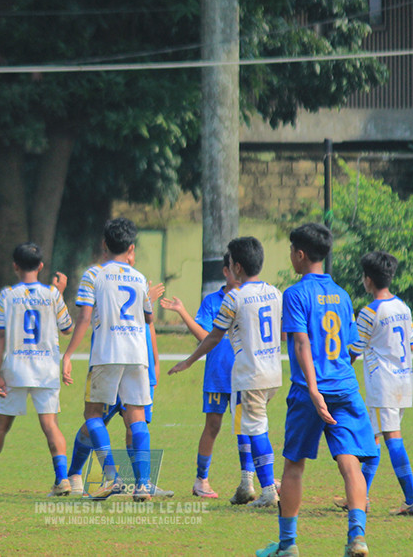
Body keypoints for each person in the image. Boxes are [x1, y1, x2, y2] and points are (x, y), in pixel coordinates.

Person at [258, 223, 377, 557]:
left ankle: (288, 545)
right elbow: (352, 346)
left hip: (309, 391)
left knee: (294, 466)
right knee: (350, 462)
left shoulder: (295, 294)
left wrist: (313, 389)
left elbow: (301, 344)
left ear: (300, 254)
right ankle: (357, 538)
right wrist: (337, 374)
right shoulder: (342, 295)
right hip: (344, 387)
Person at [169, 237, 281, 508]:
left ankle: (267, 489)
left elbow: (213, 337)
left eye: (230, 263)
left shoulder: (235, 297)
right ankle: (247, 483)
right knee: (251, 427)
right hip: (272, 374)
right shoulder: (275, 293)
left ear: (237, 267)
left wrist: (188, 361)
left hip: (250, 376)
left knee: (255, 431)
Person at [0, 243, 74, 497]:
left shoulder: (7, 295)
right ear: (41, 266)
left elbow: (0, 336)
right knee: (50, 425)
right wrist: (61, 293)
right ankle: (62, 479)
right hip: (46, 369)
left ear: (15, 266)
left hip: (15, 369)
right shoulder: (52, 294)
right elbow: (67, 329)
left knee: (0, 427)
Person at [61, 218, 155, 501]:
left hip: (107, 353)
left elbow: (85, 316)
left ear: (104, 244)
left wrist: (68, 355)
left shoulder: (93, 275)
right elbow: (148, 316)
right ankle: (143, 484)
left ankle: (112, 476)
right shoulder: (139, 278)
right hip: (137, 353)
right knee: (136, 416)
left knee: (92, 414)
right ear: (130, 248)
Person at [161, 251, 257, 503]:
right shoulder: (213, 301)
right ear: (227, 271)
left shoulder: (249, 300)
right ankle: (200, 479)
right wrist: (182, 311)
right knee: (212, 426)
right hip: (217, 376)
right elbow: (204, 336)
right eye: (235, 269)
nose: (239, 274)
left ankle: (251, 480)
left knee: (246, 428)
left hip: (244, 377)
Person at [346, 251, 413, 515]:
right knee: (373, 437)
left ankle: (411, 500)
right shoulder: (403, 307)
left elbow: (354, 350)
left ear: (367, 279)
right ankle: (359, 496)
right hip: (403, 380)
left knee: (390, 438)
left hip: (383, 385)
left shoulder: (369, 312)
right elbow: (410, 343)